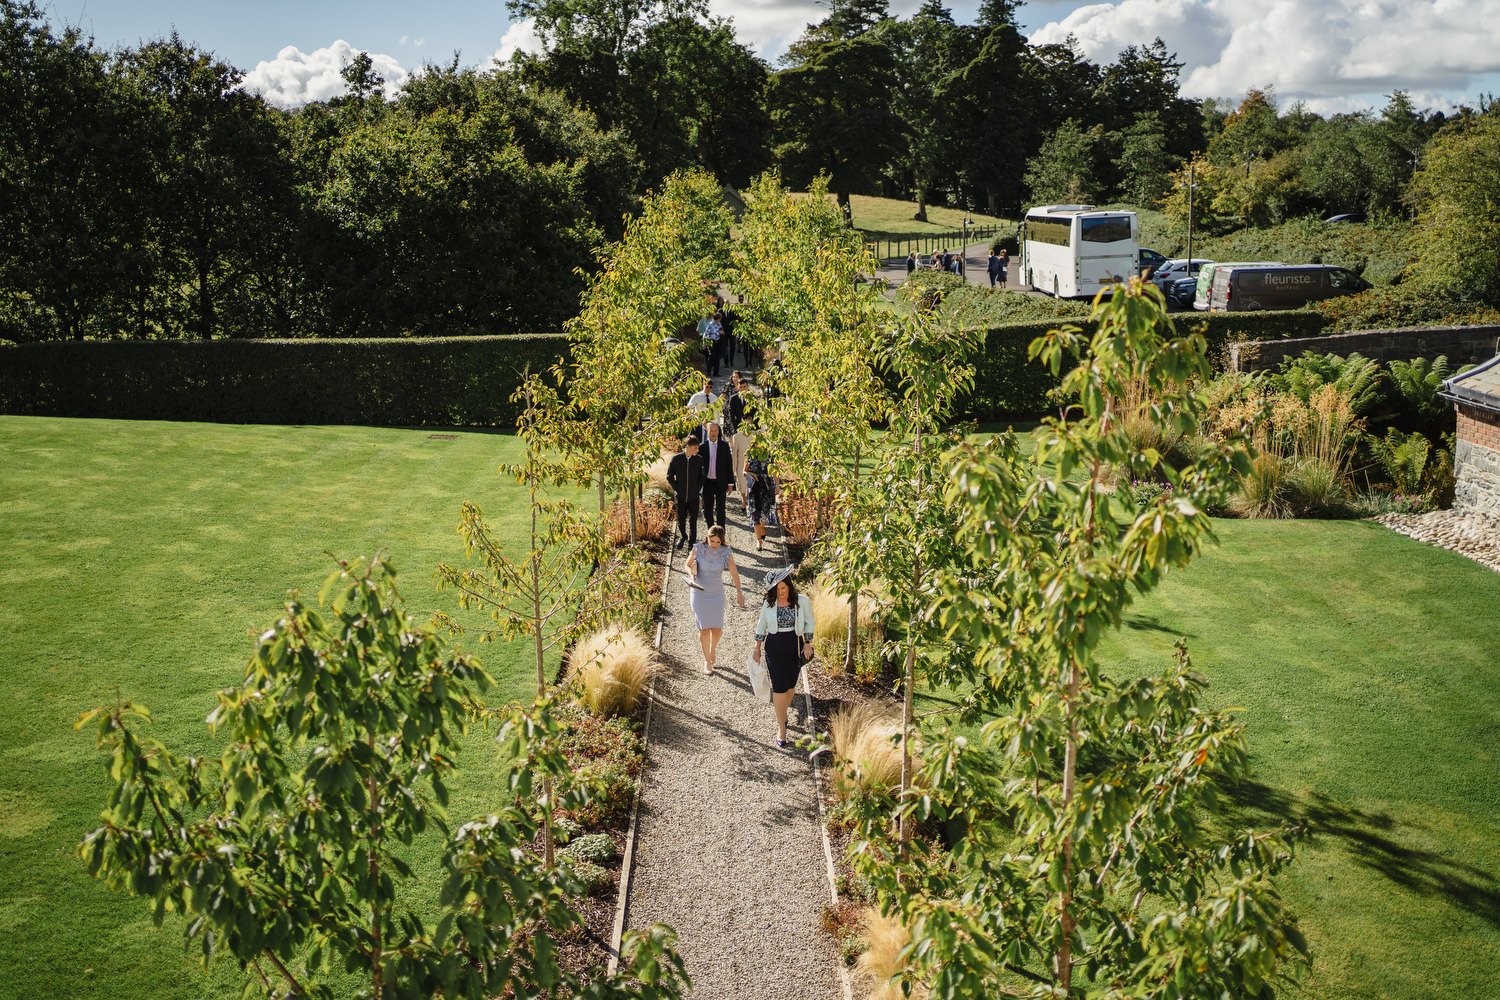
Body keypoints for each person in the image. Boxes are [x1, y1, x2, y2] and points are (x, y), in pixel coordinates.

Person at [752, 567, 815, 748]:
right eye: (777, 589)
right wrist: (757, 648)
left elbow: (810, 621)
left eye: (783, 589)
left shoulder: (801, 602)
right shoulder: (769, 604)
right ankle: (782, 728)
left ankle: (783, 712)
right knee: (779, 689)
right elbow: (761, 625)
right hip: (774, 647)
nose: (780, 592)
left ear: (789, 587)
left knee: (790, 688)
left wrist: (808, 642)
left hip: (793, 646)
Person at [685, 526, 746, 674]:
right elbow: (687, 565)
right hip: (699, 592)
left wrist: (739, 592)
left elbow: (734, 572)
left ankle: (712, 649)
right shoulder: (698, 548)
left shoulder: (726, 552)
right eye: (712, 541)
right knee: (704, 628)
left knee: (717, 630)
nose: (714, 544)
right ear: (707, 537)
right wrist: (691, 574)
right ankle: (707, 661)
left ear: (722, 541)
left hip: (716, 593)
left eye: (718, 542)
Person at [666, 434, 705, 549]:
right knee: (681, 520)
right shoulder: (676, 459)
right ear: (688, 447)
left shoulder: (699, 460)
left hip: (693, 497)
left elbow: (702, 477)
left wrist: (697, 489)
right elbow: (669, 476)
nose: (697, 450)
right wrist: (677, 489)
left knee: (693, 521)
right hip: (681, 497)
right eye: (695, 448)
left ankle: (692, 544)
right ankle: (683, 536)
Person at [725, 372, 754, 508]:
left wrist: (753, 427)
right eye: (740, 386)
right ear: (738, 387)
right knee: (740, 466)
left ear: (747, 387)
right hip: (738, 433)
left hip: (752, 432)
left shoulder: (753, 398)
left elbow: (758, 415)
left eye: (744, 386)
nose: (742, 388)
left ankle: (750, 498)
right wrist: (736, 431)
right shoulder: (734, 399)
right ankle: (743, 498)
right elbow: (730, 416)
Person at [699, 421, 732, 529]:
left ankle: (721, 535)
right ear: (707, 432)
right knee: (707, 509)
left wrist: (730, 483)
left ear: (718, 431)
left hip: (720, 482)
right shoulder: (702, 447)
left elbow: (728, 465)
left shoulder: (724, 446)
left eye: (715, 431)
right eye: (711, 431)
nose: (713, 433)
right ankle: (711, 532)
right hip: (707, 482)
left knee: (721, 509)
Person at [744, 445, 776, 551]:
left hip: (766, 488)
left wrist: (777, 486)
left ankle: (762, 530)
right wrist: (749, 476)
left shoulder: (770, 454)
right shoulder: (750, 454)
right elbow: (744, 471)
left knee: (764, 515)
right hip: (754, 488)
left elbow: (775, 470)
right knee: (755, 514)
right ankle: (759, 541)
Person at [702, 313, 724, 377]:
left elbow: (721, 331)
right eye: (720, 318)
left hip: (718, 342)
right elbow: (705, 334)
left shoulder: (719, 324)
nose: (720, 320)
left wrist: (721, 332)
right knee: (712, 356)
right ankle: (708, 371)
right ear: (717, 318)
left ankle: (716, 373)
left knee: (717, 357)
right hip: (711, 342)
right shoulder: (710, 325)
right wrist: (704, 344)